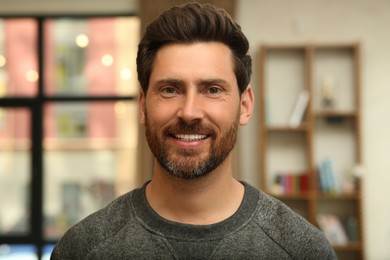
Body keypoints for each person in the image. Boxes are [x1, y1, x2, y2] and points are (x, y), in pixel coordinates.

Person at [51, 3, 336, 259]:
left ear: (245, 105)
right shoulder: (82, 249)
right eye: (170, 89)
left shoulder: (303, 250)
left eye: (212, 89)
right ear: (142, 105)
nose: (189, 111)